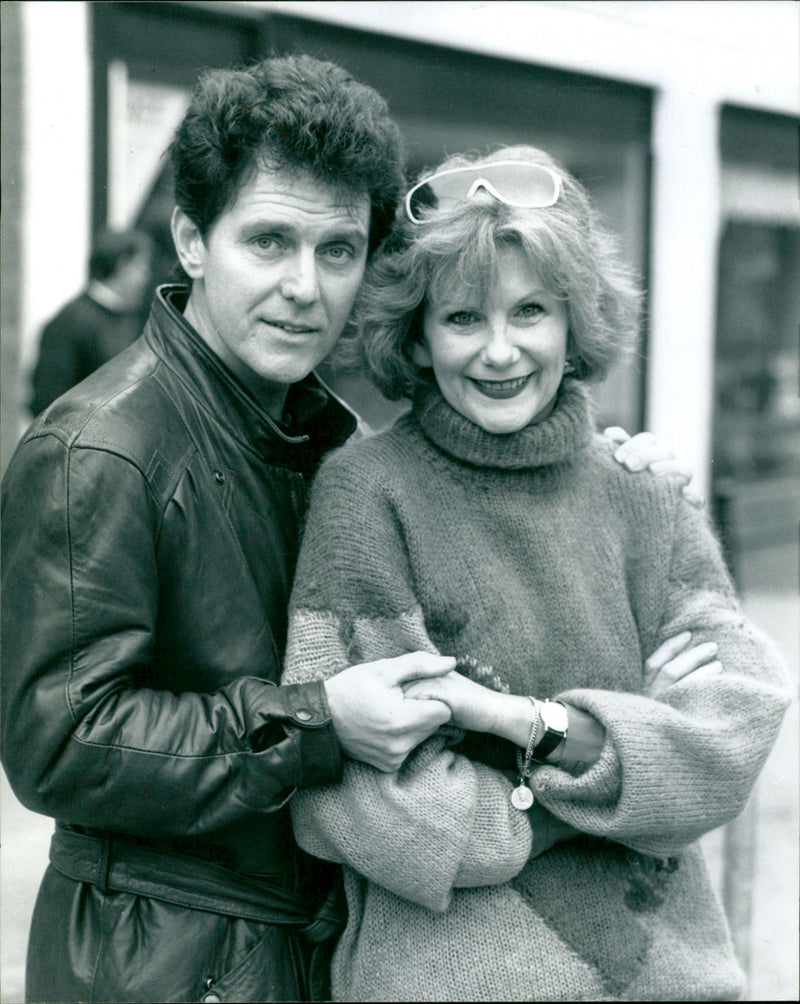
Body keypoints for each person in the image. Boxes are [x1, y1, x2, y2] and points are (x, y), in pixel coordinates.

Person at [3, 54, 701, 1003]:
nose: (305, 286)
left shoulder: (333, 438)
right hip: (163, 961)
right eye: (269, 242)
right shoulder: (100, 449)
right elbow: (61, 743)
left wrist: (609, 482)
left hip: (306, 950)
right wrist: (318, 723)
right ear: (192, 240)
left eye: (337, 251)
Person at [281, 145, 792, 1002]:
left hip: (673, 982)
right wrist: (613, 764)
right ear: (416, 332)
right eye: (462, 319)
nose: (499, 351)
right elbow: (351, 797)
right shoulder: (366, 495)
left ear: (575, 320)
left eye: (530, 311)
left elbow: (733, 733)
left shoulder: (645, 493)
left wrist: (512, 723)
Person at [30, 228, 155, 415]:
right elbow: (48, 401)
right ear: (123, 266)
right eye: (142, 267)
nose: (147, 277)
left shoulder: (132, 318)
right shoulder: (70, 322)